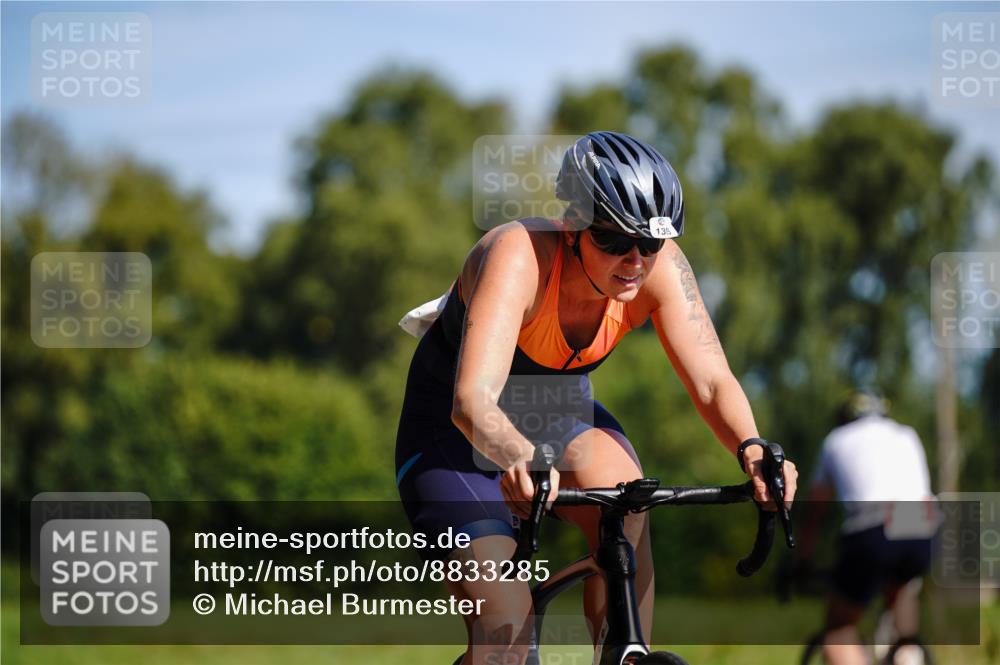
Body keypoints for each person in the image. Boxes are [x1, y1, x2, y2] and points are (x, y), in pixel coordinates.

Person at [394, 130, 799, 664]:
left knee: (628, 503)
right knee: (506, 632)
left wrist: (751, 448)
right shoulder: (517, 255)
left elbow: (712, 381)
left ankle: (625, 653)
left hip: (557, 415)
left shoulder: (662, 270)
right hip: (454, 433)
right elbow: (472, 399)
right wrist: (519, 456)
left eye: (649, 244)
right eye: (612, 239)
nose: (634, 260)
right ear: (572, 225)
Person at [798, 390, 939, 665]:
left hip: (875, 523)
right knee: (901, 588)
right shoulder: (905, 433)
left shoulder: (836, 440)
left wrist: (803, 558)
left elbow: (815, 508)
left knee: (838, 629)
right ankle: (907, 653)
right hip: (922, 521)